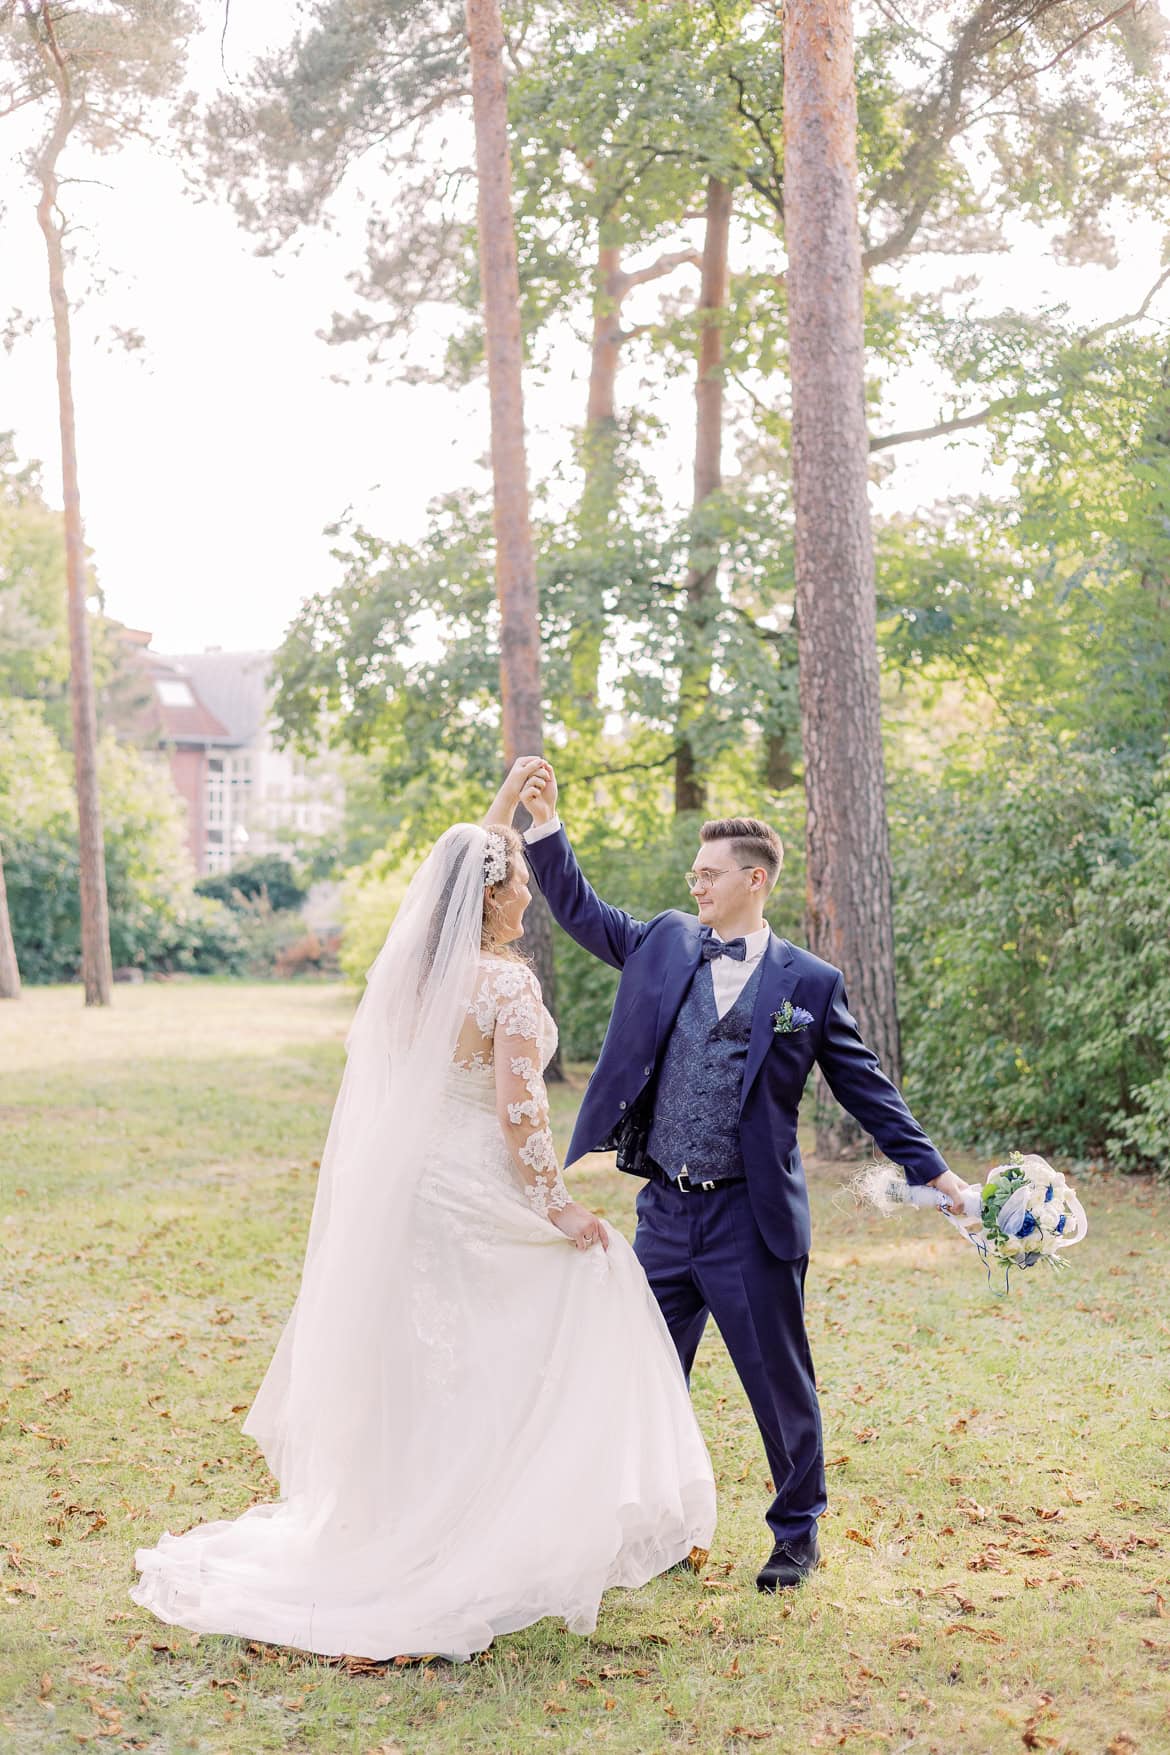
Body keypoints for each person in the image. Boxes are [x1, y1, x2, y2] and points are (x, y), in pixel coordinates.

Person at [130, 761, 715, 1661]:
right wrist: (561, 1210)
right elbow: (523, 1118)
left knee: (428, 1358)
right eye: (519, 879)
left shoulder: (417, 970)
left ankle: (407, 1518)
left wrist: (508, 808)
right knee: (574, 1294)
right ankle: (491, 1529)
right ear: (494, 897)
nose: (527, 892)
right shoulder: (506, 987)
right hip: (479, 1183)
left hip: (414, 1189)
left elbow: (460, 869)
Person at [517, 761, 970, 1591]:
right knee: (639, 1373)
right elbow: (580, 911)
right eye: (695, 872)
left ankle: (796, 1532)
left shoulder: (810, 984)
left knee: (777, 1383)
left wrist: (932, 1172)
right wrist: (545, 827)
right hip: (664, 1213)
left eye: (710, 872)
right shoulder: (662, 942)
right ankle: (649, 1530)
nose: (696, 882)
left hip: (749, 1217)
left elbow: (867, 1086)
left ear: (754, 880)